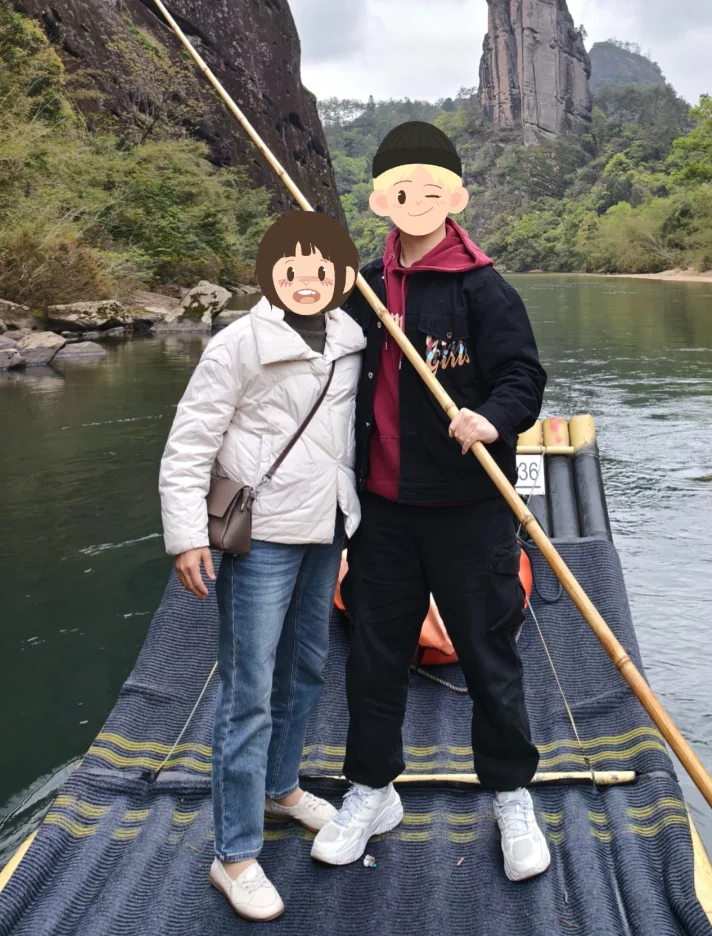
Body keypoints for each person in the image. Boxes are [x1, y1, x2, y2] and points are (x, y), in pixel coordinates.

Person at [312, 122, 551, 882]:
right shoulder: (362, 289)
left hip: (468, 508)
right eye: (400, 186)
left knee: (488, 653)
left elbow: (523, 378)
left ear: (453, 197)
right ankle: (372, 789)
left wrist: (492, 418)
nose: (414, 199)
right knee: (375, 656)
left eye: (429, 186)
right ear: (380, 199)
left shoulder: (484, 287)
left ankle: (510, 793)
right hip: (380, 510)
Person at [159, 210, 366, 922]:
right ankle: (235, 855)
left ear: (342, 276)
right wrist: (187, 537)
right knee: (247, 690)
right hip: (264, 535)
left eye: (320, 270)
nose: (307, 282)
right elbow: (190, 443)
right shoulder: (238, 344)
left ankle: (281, 790)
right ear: (269, 275)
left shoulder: (352, 338)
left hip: (327, 526)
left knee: (306, 669)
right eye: (292, 270)